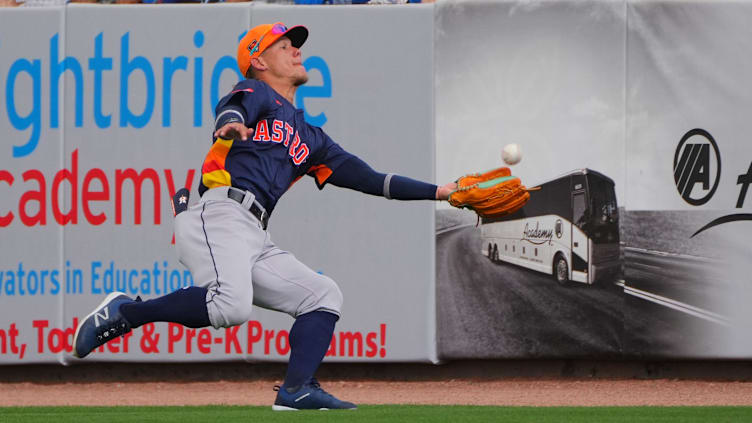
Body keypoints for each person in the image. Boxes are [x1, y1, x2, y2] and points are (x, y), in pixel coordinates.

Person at [72, 22, 456, 411]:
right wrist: (228, 124)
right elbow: (233, 107)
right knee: (231, 307)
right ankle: (127, 311)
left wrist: (441, 192)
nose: (296, 51)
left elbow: (372, 180)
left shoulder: (312, 137)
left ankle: (297, 390)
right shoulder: (257, 93)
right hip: (218, 211)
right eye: (285, 46)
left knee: (322, 295)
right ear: (258, 60)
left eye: (295, 46)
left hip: (253, 232)